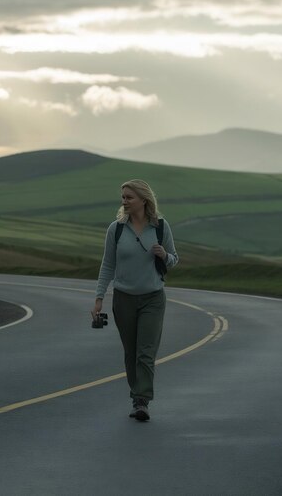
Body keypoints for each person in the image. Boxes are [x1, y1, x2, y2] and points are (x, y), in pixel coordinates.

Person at [92, 179, 179, 422]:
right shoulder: (116, 229)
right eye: (123, 197)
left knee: (145, 352)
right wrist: (99, 298)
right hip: (124, 299)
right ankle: (136, 394)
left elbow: (173, 260)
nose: (124, 201)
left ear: (144, 199)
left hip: (153, 298)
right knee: (131, 352)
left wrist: (165, 256)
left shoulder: (161, 227)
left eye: (129, 197)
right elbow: (107, 265)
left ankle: (142, 400)